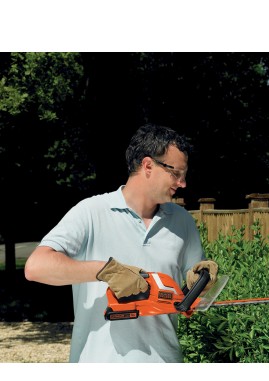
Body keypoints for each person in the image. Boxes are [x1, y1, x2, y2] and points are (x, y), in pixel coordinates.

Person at [24, 123, 219, 363]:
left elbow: (193, 291)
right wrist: (106, 271)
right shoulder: (91, 211)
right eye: (176, 173)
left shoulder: (182, 221)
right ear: (148, 166)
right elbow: (36, 267)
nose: (182, 183)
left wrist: (200, 281)